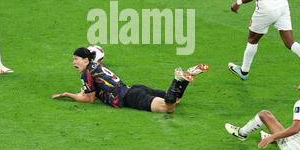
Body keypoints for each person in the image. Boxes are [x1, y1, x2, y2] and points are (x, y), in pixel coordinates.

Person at [52, 47, 209, 113]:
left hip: (129, 97)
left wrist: (68, 94)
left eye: (76, 59)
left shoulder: (86, 73)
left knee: (168, 108)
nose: (74, 62)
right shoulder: (96, 66)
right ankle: (185, 78)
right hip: (133, 89)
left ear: (86, 59)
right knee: (175, 100)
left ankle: (177, 79)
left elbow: (89, 99)